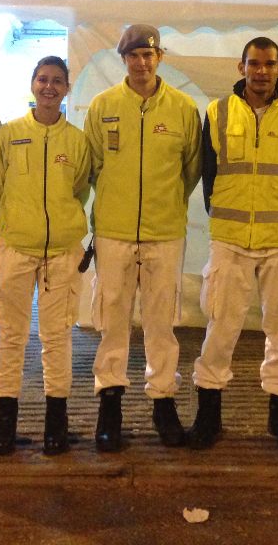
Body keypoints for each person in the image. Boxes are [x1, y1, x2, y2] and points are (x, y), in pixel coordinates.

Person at [188, 37, 278, 452]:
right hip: (230, 238)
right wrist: (223, 213)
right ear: (240, 66)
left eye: (269, 64)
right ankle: (208, 416)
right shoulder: (217, 112)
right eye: (254, 64)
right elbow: (208, 174)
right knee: (220, 327)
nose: (261, 71)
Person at [84, 24, 202, 452]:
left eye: (148, 55)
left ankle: (163, 401)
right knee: (112, 320)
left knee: (161, 323)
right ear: (123, 59)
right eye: (133, 55)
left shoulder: (184, 109)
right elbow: (92, 165)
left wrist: (165, 204)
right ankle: (109, 403)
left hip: (164, 232)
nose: (141, 63)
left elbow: (191, 170)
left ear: (160, 57)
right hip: (113, 232)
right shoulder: (103, 106)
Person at [0, 56, 90, 456]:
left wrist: (58, 225)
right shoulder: (8, 135)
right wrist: (14, 221)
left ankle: (55, 422)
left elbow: (80, 189)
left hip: (61, 252)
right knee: (10, 336)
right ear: (32, 84)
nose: (49, 87)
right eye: (42, 79)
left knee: (57, 336)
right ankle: (4, 420)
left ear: (66, 89)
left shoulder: (77, 141)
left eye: (57, 81)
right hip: (15, 248)